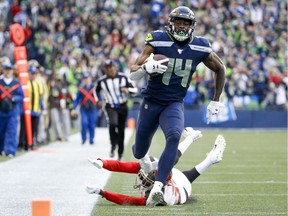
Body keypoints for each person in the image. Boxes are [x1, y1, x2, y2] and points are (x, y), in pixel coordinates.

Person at [129, 6, 226, 207]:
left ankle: (158, 186)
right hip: (151, 101)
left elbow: (220, 68)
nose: (182, 26)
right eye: (179, 22)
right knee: (139, 152)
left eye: (186, 22)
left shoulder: (200, 46)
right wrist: (146, 68)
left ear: (192, 26)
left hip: (173, 103)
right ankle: (145, 158)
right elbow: (133, 71)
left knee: (174, 135)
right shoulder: (157, 39)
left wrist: (216, 99)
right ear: (171, 23)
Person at [86, 128, 226, 206]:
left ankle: (209, 158)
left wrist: (102, 191)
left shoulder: (146, 197)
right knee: (171, 162)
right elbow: (125, 197)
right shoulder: (158, 182)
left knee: (177, 168)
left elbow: (124, 198)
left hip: (180, 192)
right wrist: (102, 189)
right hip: (178, 191)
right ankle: (197, 144)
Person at [96, 59, 138, 160]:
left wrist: (127, 90)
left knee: (121, 130)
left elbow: (135, 89)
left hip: (122, 106)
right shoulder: (102, 81)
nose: (109, 70)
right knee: (113, 123)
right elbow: (96, 91)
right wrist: (98, 100)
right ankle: (113, 144)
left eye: (111, 67)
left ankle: (120, 152)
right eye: (107, 68)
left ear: (115, 67)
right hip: (110, 105)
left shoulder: (123, 78)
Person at [0, 61, 24, 157]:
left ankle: (10, 150)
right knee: (0, 131)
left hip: (12, 110)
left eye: (9, 69)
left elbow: (21, 95)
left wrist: (13, 99)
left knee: (12, 131)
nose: (8, 71)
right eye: (6, 69)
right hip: (1, 110)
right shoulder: (1, 82)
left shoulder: (16, 83)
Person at [18, 66, 44, 150]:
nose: (33, 75)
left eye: (34, 74)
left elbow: (40, 96)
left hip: (35, 109)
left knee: (34, 128)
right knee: (24, 128)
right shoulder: (25, 83)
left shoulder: (38, 83)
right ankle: (23, 144)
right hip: (26, 110)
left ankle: (32, 143)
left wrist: (41, 107)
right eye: (31, 74)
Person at [71, 72, 98, 145]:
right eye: (85, 79)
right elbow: (77, 99)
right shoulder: (81, 88)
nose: (86, 80)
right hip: (84, 109)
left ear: (90, 79)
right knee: (84, 123)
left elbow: (99, 97)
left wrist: (100, 104)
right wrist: (74, 108)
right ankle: (83, 138)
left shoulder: (94, 88)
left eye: (88, 78)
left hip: (93, 108)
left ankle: (91, 139)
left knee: (92, 124)